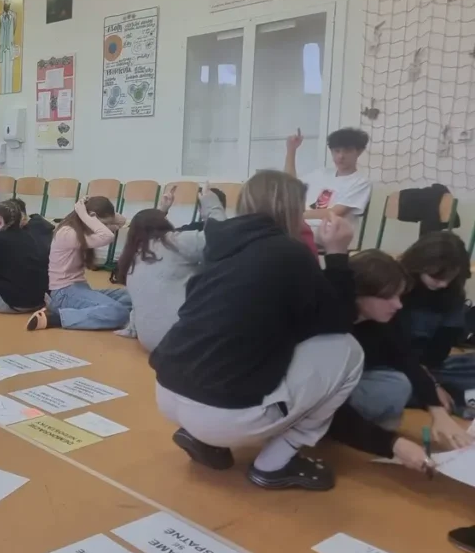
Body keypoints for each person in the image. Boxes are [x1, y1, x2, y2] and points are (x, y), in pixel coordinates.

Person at [150, 170, 361, 492]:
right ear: (291, 209)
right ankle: (273, 465)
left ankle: (201, 436)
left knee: (235, 340)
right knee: (347, 349)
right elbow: (339, 320)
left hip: (167, 391)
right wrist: (337, 254)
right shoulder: (290, 253)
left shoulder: (219, 246)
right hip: (222, 411)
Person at [333, 251, 472, 455]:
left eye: (398, 296)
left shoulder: (381, 322)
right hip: (316, 402)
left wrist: (438, 411)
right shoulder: (330, 332)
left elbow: (407, 359)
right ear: (359, 294)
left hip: (354, 381)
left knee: (397, 384)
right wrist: (393, 444)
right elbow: (326, 404)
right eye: (389, 297)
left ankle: (367, 431)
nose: (398, 305)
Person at [113, 186, 226, 352]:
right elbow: (221, 238)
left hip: (149, 340)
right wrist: (213, 207)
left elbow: (147, 226)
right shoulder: (176, 241)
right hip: (182, 340)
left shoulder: (132, 257)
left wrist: (162, 210)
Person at [398, 231, 475, 417]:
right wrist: (430, 383)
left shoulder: (452, 294)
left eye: (451, 278)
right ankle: (454, 397)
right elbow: (392, 350)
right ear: (418, 266)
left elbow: (437, 354)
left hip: (431, 368)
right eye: (437, 277)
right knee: (394, 386)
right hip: (394, 365)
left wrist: (431, 379)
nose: (444, 284)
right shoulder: (396, 286)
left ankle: (451, 395)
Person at [26, 196, 128, 332]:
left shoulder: (81, 229)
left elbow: (122, 221)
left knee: (130, 296)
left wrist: (85, 210)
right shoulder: (67, 233)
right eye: (104, 223)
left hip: (79, 289)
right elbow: (108, 236)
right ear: (91, 216)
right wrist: (85, 215)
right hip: (64, 293)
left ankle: (97, 314)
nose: (104, 227)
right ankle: (56, 318)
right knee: (118, 312)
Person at [286, 127, 372, 242]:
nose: (341, 156)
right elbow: (288, 183)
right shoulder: (321, 173)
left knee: (280, 233)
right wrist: (291, 150)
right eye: (337, 151)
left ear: (359, 152)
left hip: (329, 232)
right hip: (304, 225)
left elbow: (335, 212)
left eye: (347, 151)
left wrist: (295, 216)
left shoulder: (360, 182)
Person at [0, 0, 17, 94]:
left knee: (9, 70)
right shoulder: (0, 17)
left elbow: (14, 28)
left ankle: (9, 92)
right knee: (2, 72)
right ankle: (2, 92)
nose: (7, 6)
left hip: (9, 47)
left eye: (8, 5)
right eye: (5, 5)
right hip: (2, 48)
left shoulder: (13, 16)